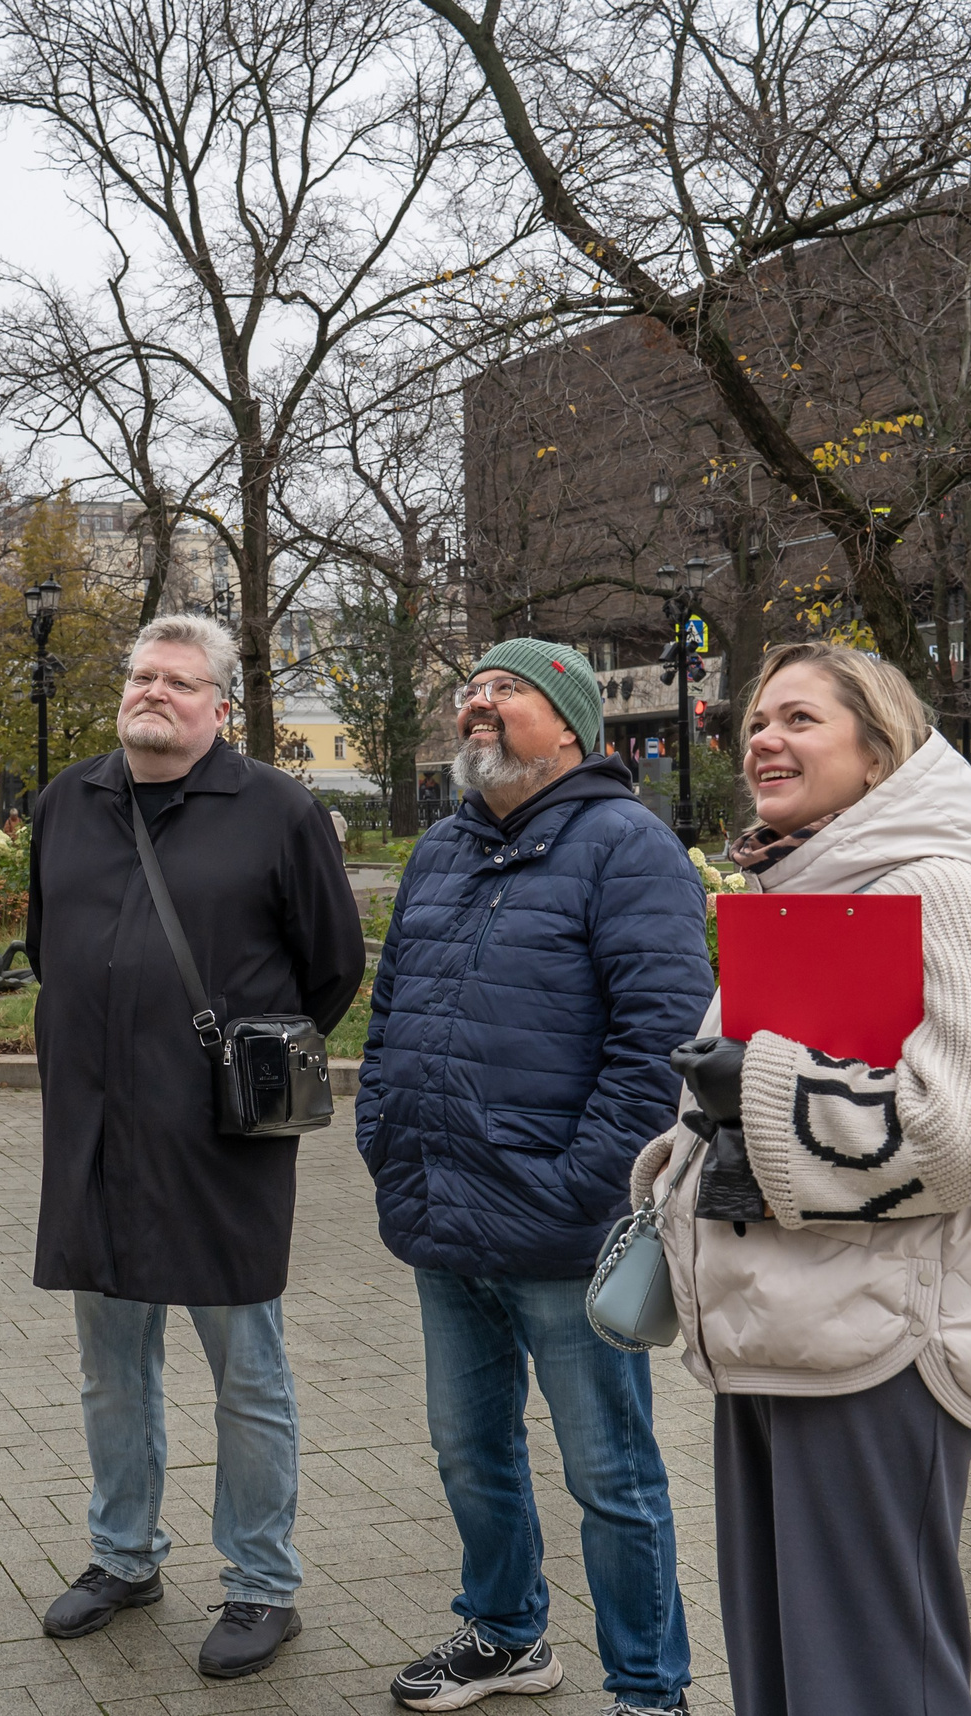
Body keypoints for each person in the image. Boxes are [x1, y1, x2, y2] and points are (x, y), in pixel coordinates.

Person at [631, 642, 971, 1716]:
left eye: (800, 720)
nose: (763, 739)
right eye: (756, 722)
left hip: (884, 1347)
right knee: (784, 1678)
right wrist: (686, 1157)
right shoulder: (805, 887)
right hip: (785, 1327)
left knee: (870, 1683)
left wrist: (757, 1086)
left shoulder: (941, 892)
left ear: (879, 750)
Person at [357, 640, 712, 1716]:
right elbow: (388, 1014)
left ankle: (650, 1694)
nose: (476, 706)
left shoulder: (626, 846)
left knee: (611, 1479)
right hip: (439, 1213)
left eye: (503, 691)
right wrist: (384, 1134)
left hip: (563, 1231)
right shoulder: (441, 851)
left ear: (569, 724)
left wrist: (580, 1187)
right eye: (470, 691)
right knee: (469, 1454)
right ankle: (506, 1638)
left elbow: (662, 1041)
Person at [23, 614, 366, 1679]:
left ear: (220, 705)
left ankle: (261, 1585)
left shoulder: (277, 812)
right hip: (92, 1133)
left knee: (247, 1372)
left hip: (221, 1143)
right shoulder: (67, 804)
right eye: (140, 676)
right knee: (109, 1373)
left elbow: (332, 969)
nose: (153, 694)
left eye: (178, 681)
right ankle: (123, 1557)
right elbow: (48, 948)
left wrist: (230, 1059)